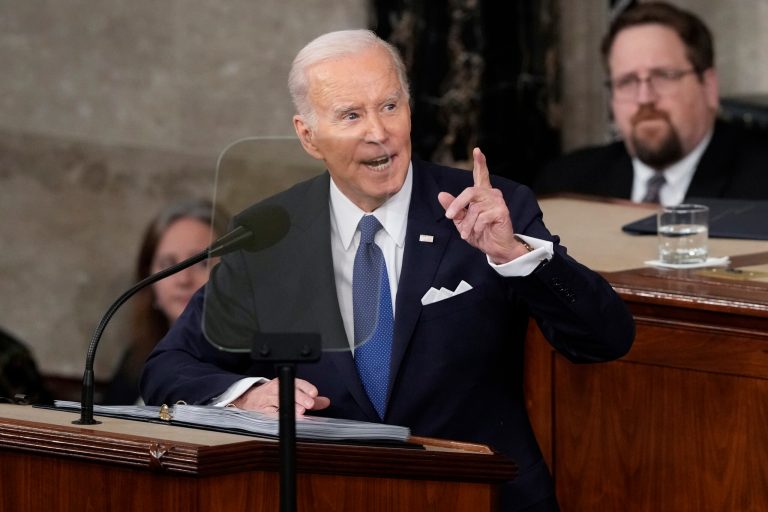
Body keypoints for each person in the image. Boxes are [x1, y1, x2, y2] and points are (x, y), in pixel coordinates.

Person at [140, 30, 635, 511]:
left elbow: (605, 338)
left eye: (390, 106)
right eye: (351, 114)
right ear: (309, 136)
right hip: (329, 497)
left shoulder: (487, 209)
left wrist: (513, 254)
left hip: (481, 496)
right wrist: (246, 396)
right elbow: (167, 368)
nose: (379, 132)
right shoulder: (268, 237)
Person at [535, 2, 768, 206]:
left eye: (663, 76)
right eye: (627, 81)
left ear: (708, 86)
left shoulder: (760, 184)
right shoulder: (566, 185)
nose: (644, 98)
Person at [101, 199, 230, 405]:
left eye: (202, 263)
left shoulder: (246, 365)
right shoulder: (136, 357)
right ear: (147, 277)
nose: (183, 279)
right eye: (169, 264)